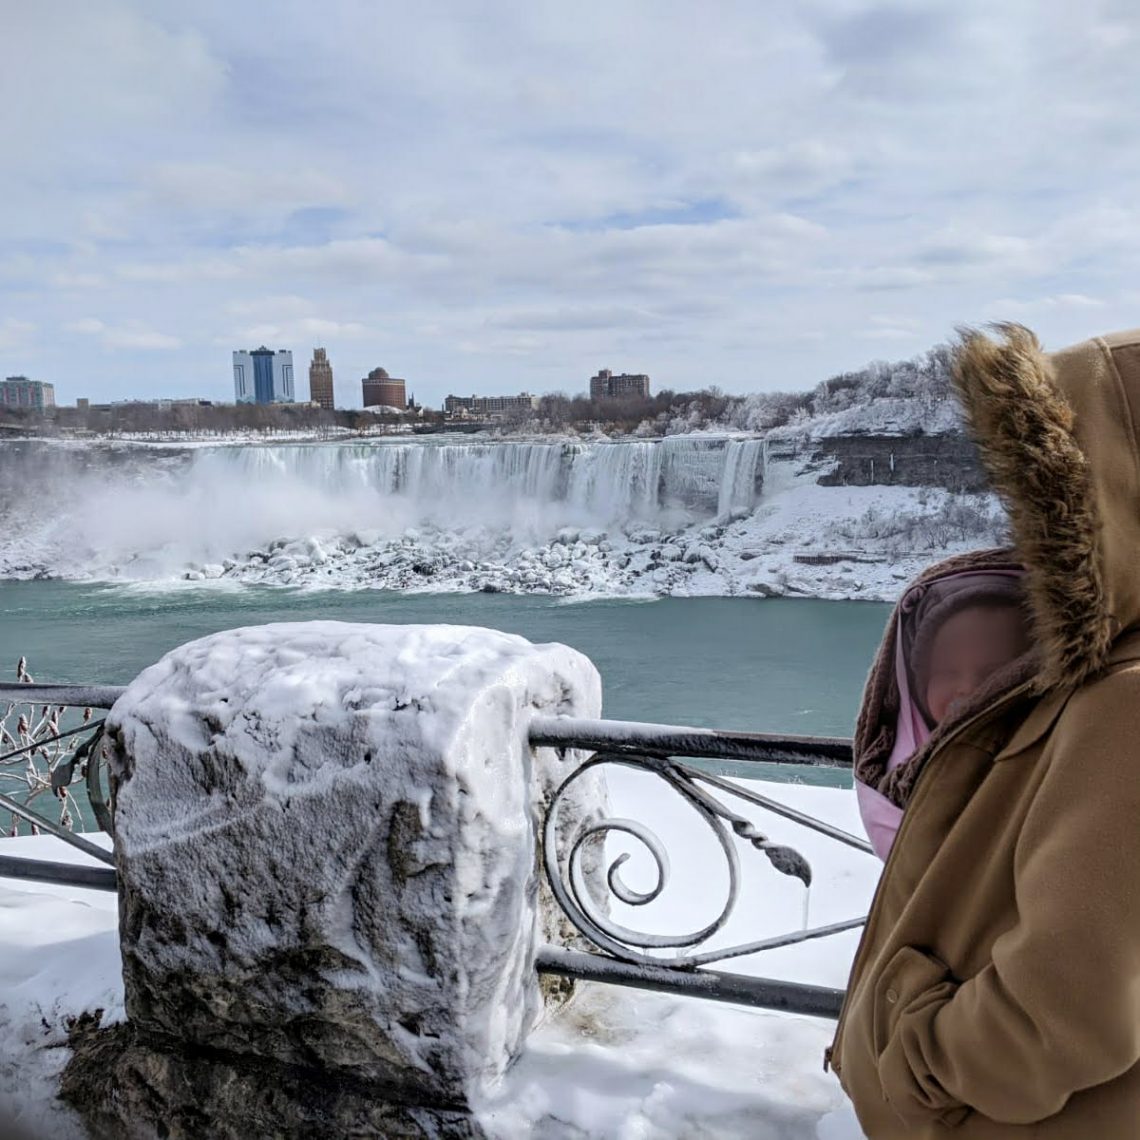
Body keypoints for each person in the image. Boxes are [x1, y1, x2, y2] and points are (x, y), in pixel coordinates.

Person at [827, 323, 1140, 1137]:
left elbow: (1065, 1006)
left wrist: (915, 1061)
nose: (1028, 524)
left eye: (1047, 490)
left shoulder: (1128, 701)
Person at [854, 563, 1032, 860]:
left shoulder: (1054, 775)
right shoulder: (896, 775)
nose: (968, 689)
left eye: (995, 673)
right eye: (946, 671)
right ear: (918, 684)